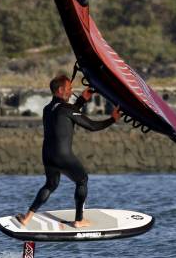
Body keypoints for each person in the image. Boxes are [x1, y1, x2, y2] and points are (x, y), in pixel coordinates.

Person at [16, 74, 121, 228]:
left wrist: (83, 99)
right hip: (62, 156)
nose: (72, 92)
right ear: (60, 90)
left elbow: (67, 114)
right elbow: (92, 126)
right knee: (82, 180)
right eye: (69, 89)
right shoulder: (67, 108)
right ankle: (79, 220)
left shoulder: (47, 109)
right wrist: (112, 119)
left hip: (47, 155)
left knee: (50, 185)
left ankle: (27, 218)